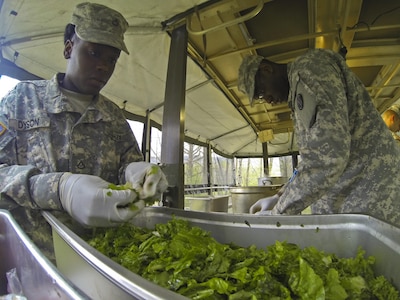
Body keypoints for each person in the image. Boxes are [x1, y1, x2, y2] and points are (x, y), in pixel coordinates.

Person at [0, 2, 168, 260]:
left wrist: (140, 172)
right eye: (93, 53)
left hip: (102, 260)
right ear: (69, 48)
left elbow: (129, 167)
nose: (103, 66)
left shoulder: (113, 117)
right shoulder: (21, 100)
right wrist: (58, 188)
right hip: (36, 259)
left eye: (111, 59)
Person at [238, 48, 400, 227]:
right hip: (352, 195)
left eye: (261, 91)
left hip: (370, 193)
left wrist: (280, 212)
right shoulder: (298, 90)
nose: (267, 100)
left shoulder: (309, 71)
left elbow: (329, 158)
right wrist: (280, 196)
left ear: (266, 69)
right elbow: (311, 160)